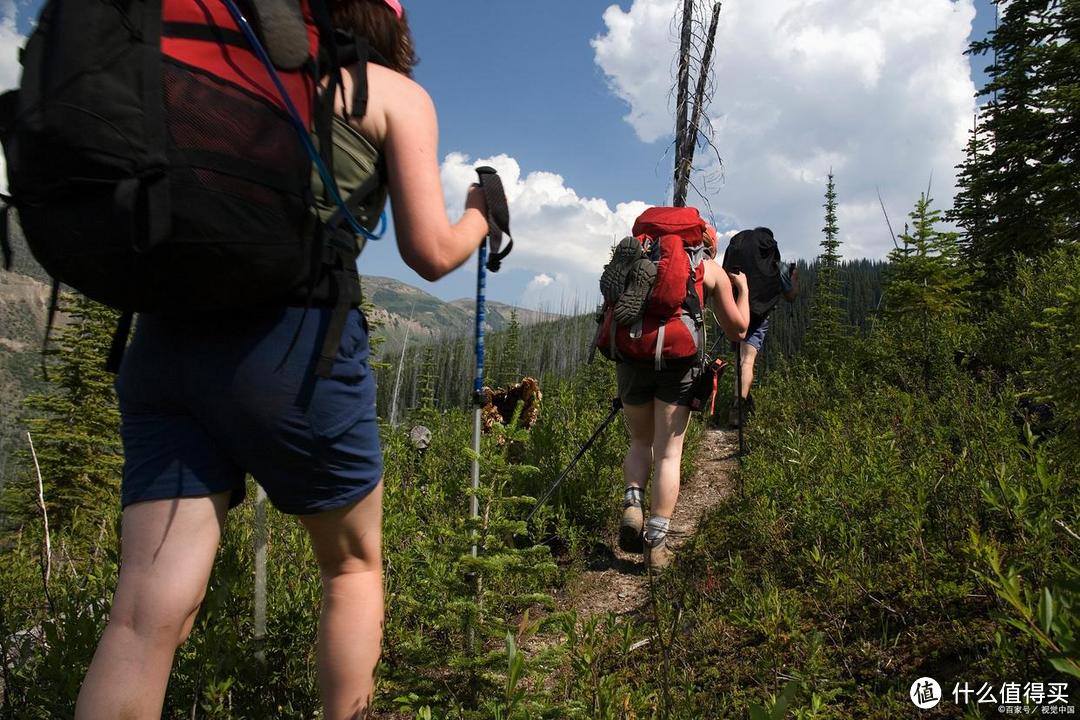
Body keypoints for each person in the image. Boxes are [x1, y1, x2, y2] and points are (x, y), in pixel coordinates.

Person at [74, 2, 490, 718]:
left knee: (143, 615)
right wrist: (483, 212)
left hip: (164, 341)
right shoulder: (386, 93)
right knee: (351, 566)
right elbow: (430, 254)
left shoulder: (200, 54)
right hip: (292, 351)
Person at [616, 223, 749, 570]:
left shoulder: (644, 259)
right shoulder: (708, 269)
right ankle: (656, 546)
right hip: (678, 365)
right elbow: (738, 330)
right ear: (706, 244)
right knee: (669, 455)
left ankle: (632, 504)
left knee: (639, 442)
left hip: (632, 357)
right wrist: (742, 292)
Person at [729, 228, 798, 427]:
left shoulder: (737, 265)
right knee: (747, 361)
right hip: (758, 317)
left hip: (734, 312)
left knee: (741, 360)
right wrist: (794, 279)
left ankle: (740, 402)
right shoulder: (778, 267)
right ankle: (739, 408)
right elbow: (791, 296)